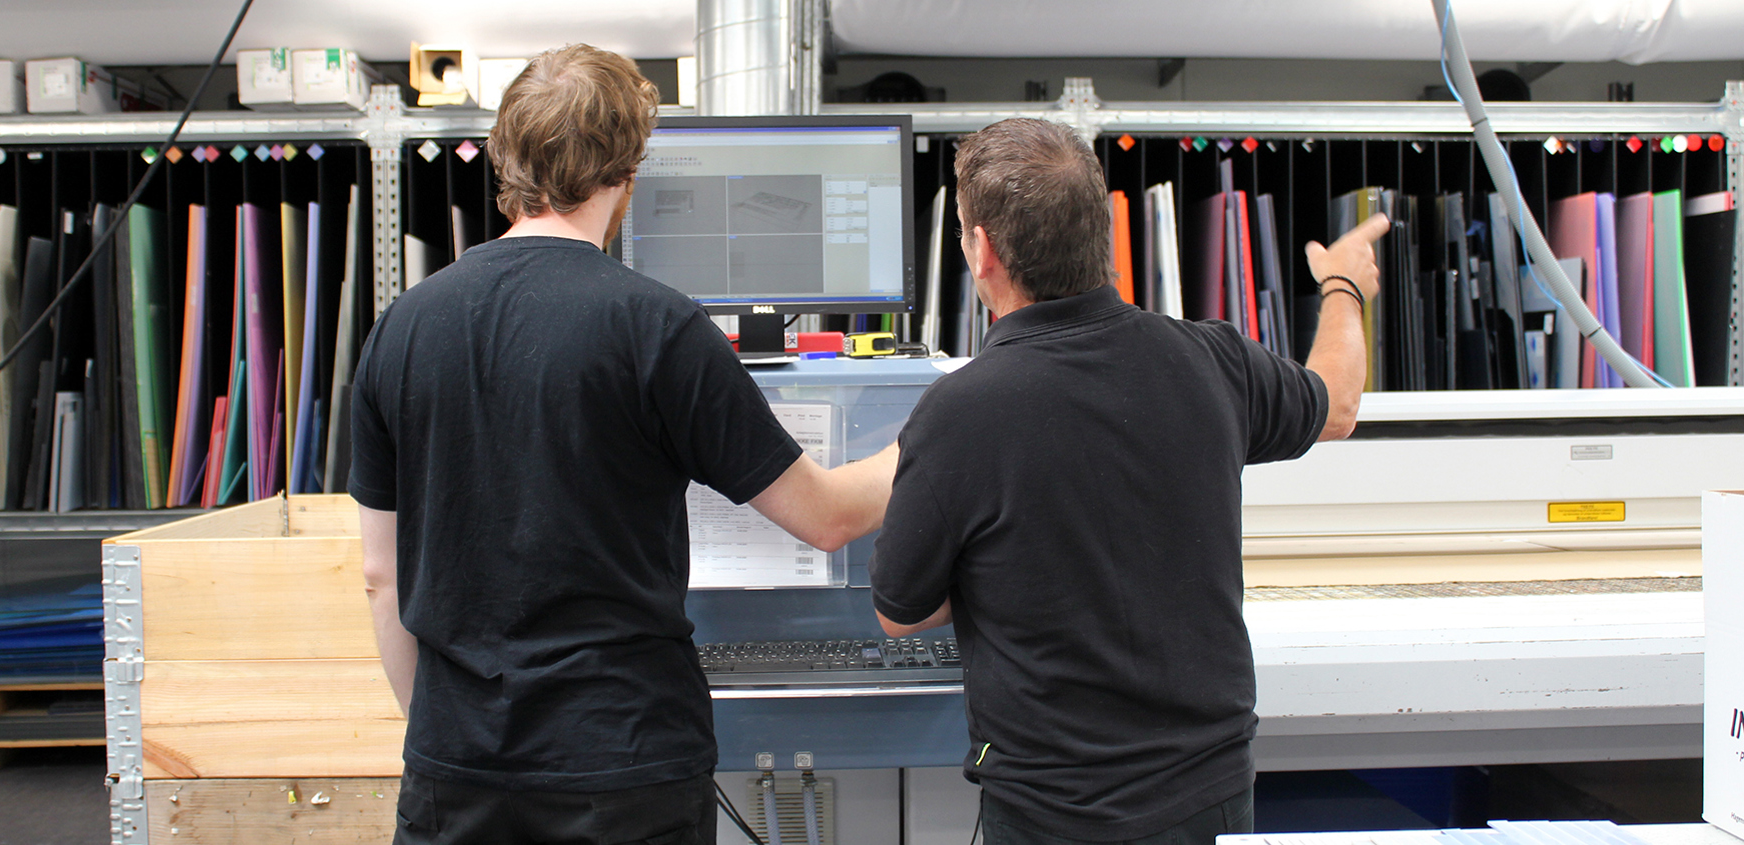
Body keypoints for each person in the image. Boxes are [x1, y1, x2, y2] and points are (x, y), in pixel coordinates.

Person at [350, 44, 898, 845]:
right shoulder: (656, 326)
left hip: (454, 766)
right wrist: (923, 441)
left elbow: (378, 576)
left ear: (507, 159)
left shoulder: (402, 326)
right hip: (622, 765)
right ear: (628, 170)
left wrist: (440, 737)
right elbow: (827, 518)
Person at [868, 118, 1387, 845]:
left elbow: (901, 611)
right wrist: (1341, 285)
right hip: (1208, 794)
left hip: (1054, 811)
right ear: (1098, 231)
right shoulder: (1213, 360)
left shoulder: (959, 413)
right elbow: (1336, 405)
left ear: (980, 250)